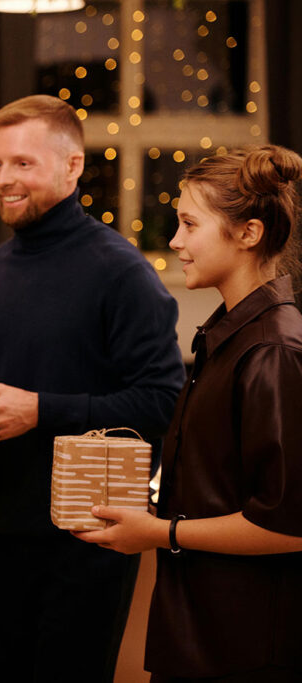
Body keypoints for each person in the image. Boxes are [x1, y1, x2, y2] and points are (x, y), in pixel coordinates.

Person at [0, 95, 185, 682]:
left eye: (23, 163)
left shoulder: (122, 272)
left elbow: (165, 401)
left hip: (93, 532)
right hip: (6, 527)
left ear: (73, 166)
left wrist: (41, 411)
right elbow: (5, 395)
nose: (3, 179)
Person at [76, 145, 302, 682]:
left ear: (248, 233)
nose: (175, 241)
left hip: (246, 648)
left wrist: (160, 531)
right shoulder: (228, 336)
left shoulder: (272, 350)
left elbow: (289, 526)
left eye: (189, 224)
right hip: (204, 632)